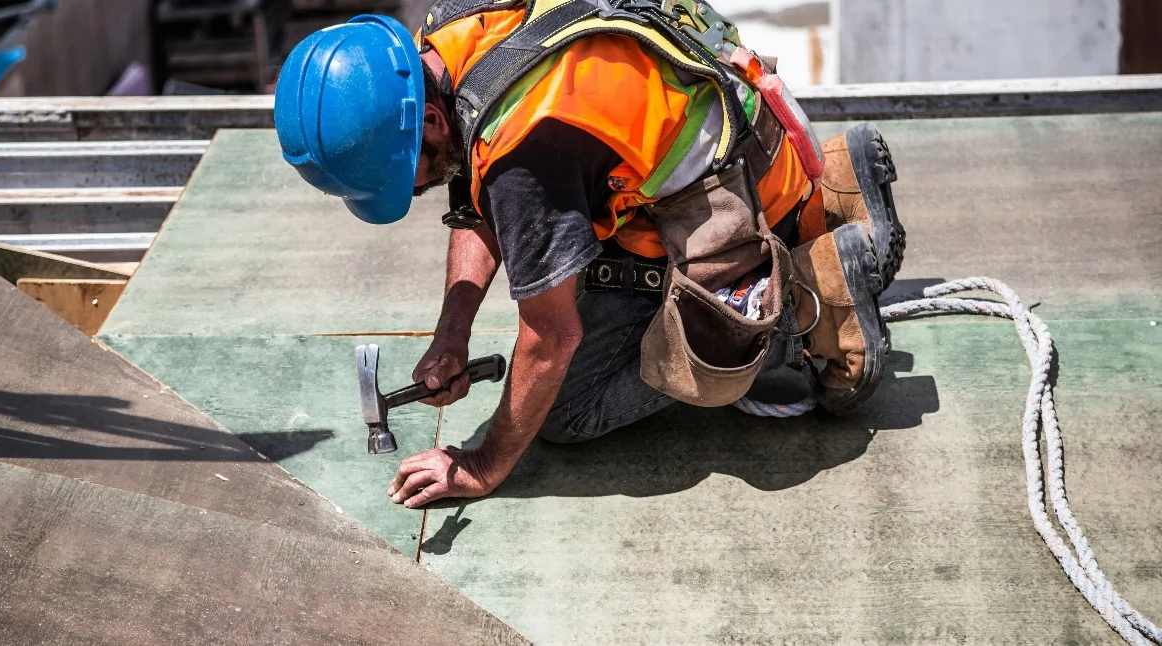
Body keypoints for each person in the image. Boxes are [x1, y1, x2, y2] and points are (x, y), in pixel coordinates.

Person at [273, 1, 906, 509]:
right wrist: (453, 332)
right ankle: (839, 192)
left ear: (433, 121)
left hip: (737, 207)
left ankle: (811, 304)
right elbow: (475, 190)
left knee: (568, 408)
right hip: (750, 138)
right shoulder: (452, 32)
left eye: (404, 175)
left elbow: (551, 337)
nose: (412, 191)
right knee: (555, 268)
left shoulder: (526, 148)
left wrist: (483, 464)